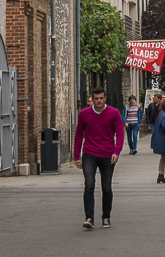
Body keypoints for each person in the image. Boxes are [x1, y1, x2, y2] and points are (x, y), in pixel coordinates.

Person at [72, 86, 124, 230]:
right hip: (89, 154)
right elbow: (78, 134)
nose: (99, 101)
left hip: (108, 154)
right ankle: (89, 217)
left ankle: (106, 216)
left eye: (101, 98)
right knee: (89, 184)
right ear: (92, 100)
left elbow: (120, 133)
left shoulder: (113, 113)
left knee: (106, 187)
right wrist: (77, 155)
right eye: (96, 99)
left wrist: (116, 151)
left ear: (105, 98)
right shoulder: (84, 114)